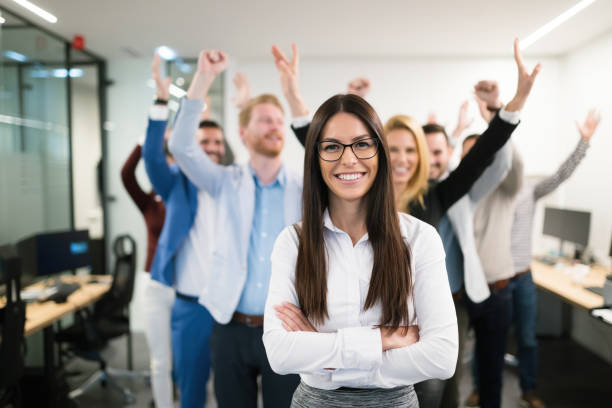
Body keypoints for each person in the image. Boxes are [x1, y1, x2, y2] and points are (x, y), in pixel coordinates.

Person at [263, 93, 458, 408]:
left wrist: (325, 357)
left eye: (362, 144)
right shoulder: (292, 243)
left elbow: (442, 357)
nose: (348, 159)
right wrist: (382, 340)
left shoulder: (421, 239)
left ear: (380, 153)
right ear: (315, 157)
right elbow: (280, 353)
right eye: (332, 147)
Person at [168, 49, 302, 408]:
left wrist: (291, 93)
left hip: (286, 330)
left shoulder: (304, 188)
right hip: (229, 326)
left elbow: (323, 149)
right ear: (243, 133)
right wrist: (204, 79)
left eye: (278, 120)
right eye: (264, 120)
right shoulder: (225, 182)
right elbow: (181, 146)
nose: (274, 125)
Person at [466, 108, 601, 408]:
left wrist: (583, 142)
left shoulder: (529, 190)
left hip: (523, 277)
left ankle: (529, 390)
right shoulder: (481, 191)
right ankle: (479, 388)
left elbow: (562, 174)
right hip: (492, 280)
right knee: (487, 343)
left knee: (527, 339)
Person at [143, 53, 229, 408]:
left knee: (230, 391)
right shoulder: (175, 182)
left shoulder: (233, 186)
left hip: (228, 309)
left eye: (217, 143)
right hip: (190, 306)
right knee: (191, 389)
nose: (211, 148)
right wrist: (162, 102)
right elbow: (151, 156)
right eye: (203, 143)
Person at [120, 91, 171, 407]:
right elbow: (126, 174)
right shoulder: (148, 202)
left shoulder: (186, 200)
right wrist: (148, 137)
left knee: (183, 357)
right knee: (159, 359)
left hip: (183, 285)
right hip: (152, 284)